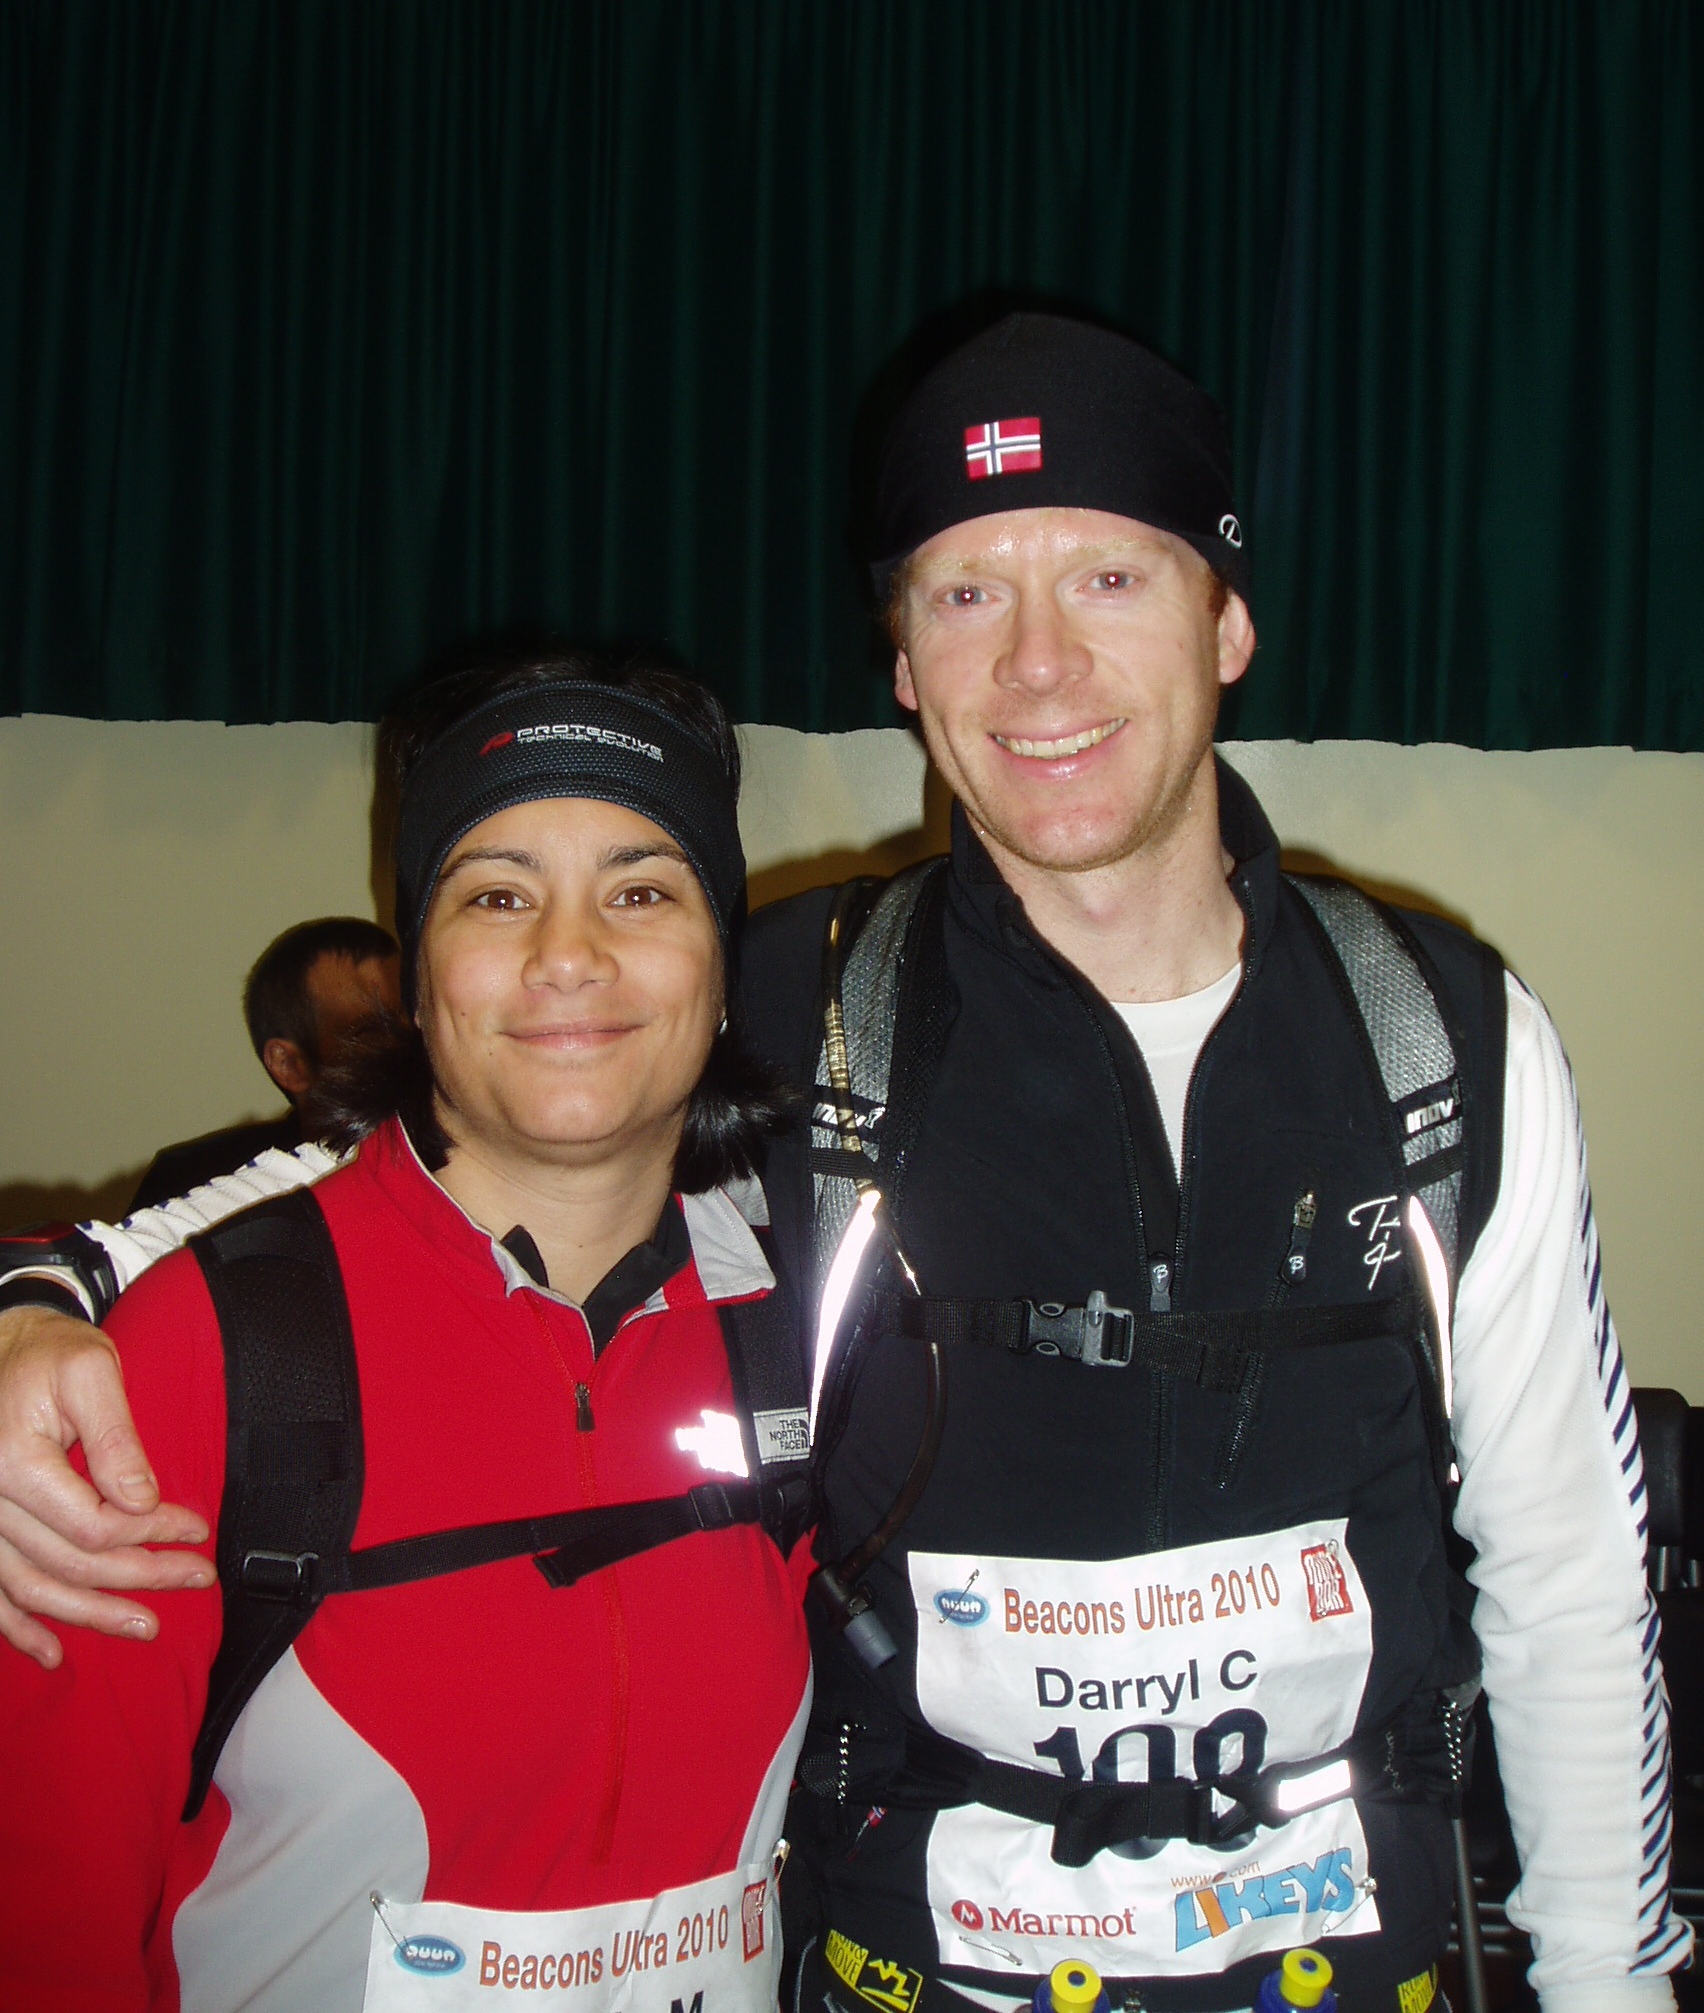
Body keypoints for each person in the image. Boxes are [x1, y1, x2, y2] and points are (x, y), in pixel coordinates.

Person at [0, 314, 1685, 2013]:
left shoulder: (1439, 1037)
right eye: (966, 595)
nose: (1037, 664)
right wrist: (53, 1283)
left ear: (1226, 622)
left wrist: (1609, 1982)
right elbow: (442, 1144)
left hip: (1359, 1969)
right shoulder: (799, 1006)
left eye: (1106, 578)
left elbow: (1565, 1569)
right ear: (901, 667)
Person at [0, 653, 812, 2010]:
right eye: (497, 893)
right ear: (420, 981)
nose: (570, 954)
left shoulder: (811, 1327)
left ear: (723, 970)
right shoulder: (205, 1350)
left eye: (641, 890)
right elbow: (45, 1928)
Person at [130, 918, 401, 1206]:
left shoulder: (436, 1171)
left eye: (422, 1021)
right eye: (373, 1034)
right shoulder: (196, 1190)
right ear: (289, 1065)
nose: (414, 1048)